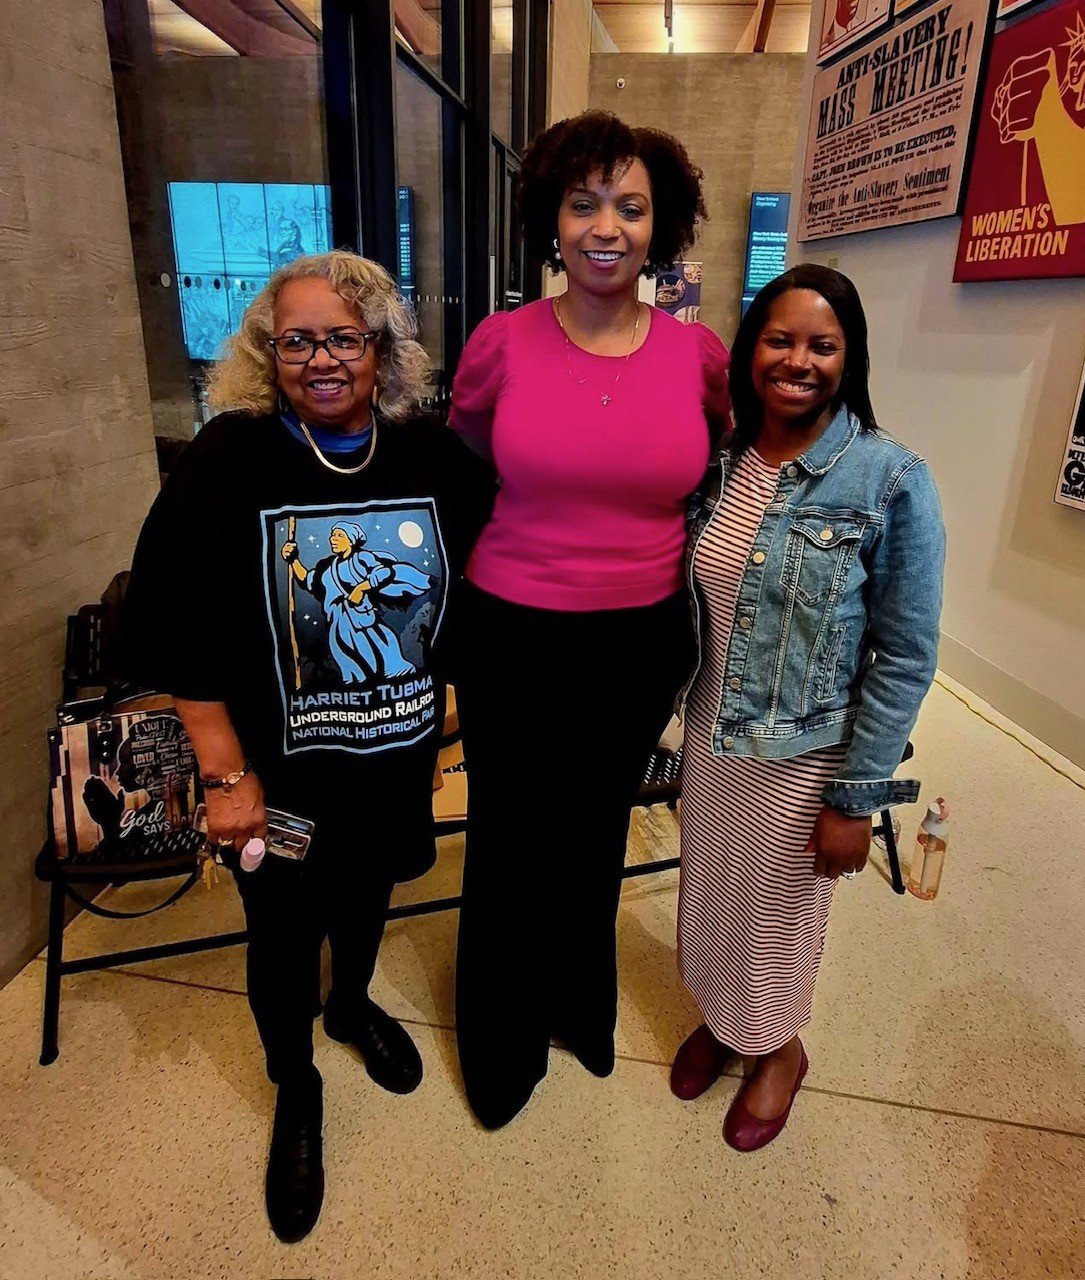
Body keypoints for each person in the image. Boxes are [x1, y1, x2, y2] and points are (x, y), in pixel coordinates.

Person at [122, 251, 495, 1240]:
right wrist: (224, 773)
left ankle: (355, 1005)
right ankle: (297, 1084)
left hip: (389, 766)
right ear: (268, 352)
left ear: (381, 350)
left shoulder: (426, 454)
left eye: (345, 337)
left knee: (369, 897)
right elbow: (167, 622)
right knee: (284, 930)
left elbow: (505, 551)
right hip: (274, 781)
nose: (322, 358)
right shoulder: (227, 459)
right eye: (298, 340)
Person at [448, 111, 731, 1129]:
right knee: (513, 832)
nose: (605, 225)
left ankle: (580, 999)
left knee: (594, 827)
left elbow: (724, 464)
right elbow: (472, 452)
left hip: (639, 639)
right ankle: (501, 1032)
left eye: (631, 205)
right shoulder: (500, 342)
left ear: (662, 226)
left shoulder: (700, 357)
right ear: (551, 221)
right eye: (583, 203)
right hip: (513, 629)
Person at [671, 265, 944, 1151]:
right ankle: (725, 1021)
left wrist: (855, 798)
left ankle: (777, 1048)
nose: (797, 361)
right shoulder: (724, 462)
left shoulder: (888, 479)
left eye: (821, 346)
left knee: (778, 912)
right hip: (712, 733)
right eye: (778, 341)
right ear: (751, 350)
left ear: (850, 357)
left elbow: (904, 655)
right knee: (714, 894)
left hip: (803, 756)